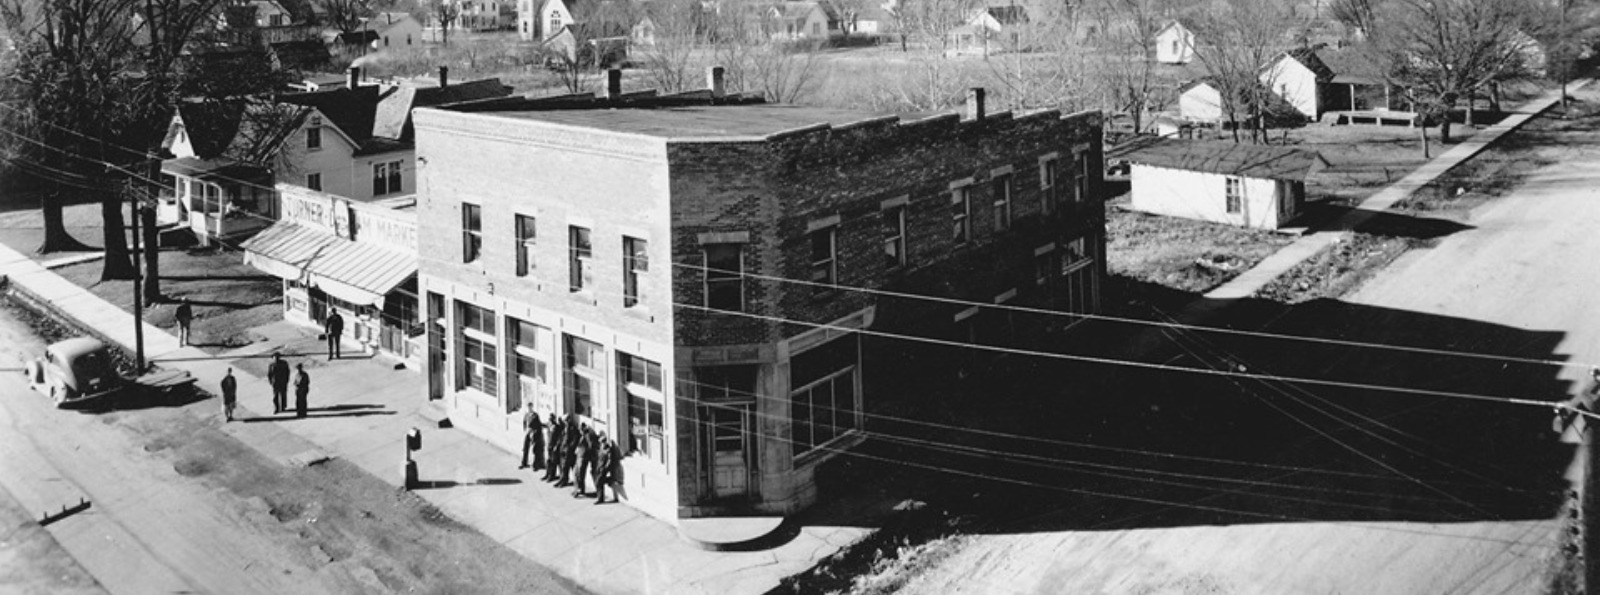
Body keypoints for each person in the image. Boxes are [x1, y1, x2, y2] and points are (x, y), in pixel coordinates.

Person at [594, 432, 621, 505]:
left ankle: (600, 498)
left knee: (598, 482)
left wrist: (605, 468)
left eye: (602, 442)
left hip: (603, 468)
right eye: (601, 442)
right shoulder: (601, 448)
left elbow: (609, 460)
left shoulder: (608, 449)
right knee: (599, 482)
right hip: (599, 467)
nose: (601, 444)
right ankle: (609, 481)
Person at [573, 424, 597, 498]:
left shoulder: (588, 436)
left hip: (583, 457)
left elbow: (590, 446)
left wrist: (586, 455)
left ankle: (580, 490)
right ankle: (577, 489)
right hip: (579, 456)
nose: (580, 431)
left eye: (581, 430)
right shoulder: (583, 436)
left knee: (580, 474)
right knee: (576, 473)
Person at [519, 406, 545, 470]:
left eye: (530, 407)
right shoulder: (526, 415)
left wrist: (536, 431)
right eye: (528, 407)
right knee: (525, 448)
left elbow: (538, 424)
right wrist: (525, 429)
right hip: (528, 432)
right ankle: (524, 462)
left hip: (534, 432)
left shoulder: (535, 415)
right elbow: (524, 422)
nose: (529, 409)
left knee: (535, 449)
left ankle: (535, 465)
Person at [543, 415, 566, 482]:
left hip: (554, 447)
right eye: (550, 419)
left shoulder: (557, 427)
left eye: (552, 419)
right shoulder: (549, 425)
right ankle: (547, 474)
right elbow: (543, 425)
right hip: (549, 446)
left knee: (553, 462)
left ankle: (551, 476)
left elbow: (559, 438)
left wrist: (556, 446)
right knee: (548, 461)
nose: (551, 420)